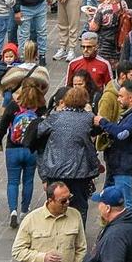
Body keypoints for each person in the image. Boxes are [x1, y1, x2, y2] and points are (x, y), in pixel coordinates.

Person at [37, 84, 101, 215]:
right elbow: (96, 131)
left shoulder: (55, 117)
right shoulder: (88, 118)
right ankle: (78, 232)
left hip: (55, 169)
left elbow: (39, 131)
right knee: (80, 208)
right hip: (80, 171)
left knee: (56, 205)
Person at [92, 80, 132, 213]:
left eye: (120, 96)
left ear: (130, 98)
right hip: (118, 165)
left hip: (126, 167)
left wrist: (103, 122)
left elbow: (122, 134)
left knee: (126, 204)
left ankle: (129, 230)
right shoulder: (130, 115)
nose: (118, 99)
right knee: (112, 200)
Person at [0, 77, 47, 224]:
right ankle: (25, 210)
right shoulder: (41, 107)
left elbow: (2, 126)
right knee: (28, 180)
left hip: (13, 148)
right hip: (31, 149)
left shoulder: (14, 106)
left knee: (13, 181)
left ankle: (13, 210)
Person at [67, 30, 112, 102]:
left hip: (96, 101)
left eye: (89, 47)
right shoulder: (73, 64)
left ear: (96, 46)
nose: (85, 50)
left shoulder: (104, 65)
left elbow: (109, 89)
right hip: (77, 102)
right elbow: (67, 87)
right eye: (83, 47)